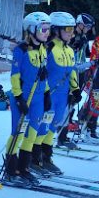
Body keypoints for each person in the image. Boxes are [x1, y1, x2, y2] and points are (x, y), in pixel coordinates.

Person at [3, 12, 51, 185]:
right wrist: (18, 97)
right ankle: (10, 169)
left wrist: (46, 94)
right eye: (44, 29)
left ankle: (24, 168)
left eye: (48, 29)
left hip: (38, 98)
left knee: (32, 133)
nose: (47, 32)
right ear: (32, 29)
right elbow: (15, 76)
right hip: (23, 98)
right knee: (18, 132)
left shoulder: (43, 49)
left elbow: (43, 77)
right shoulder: (21, 50)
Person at [31, 12, 80, 175]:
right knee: (42, 127)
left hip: (62, 97)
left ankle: (46, 158)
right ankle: (33, 159)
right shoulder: (48, 47)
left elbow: (72, 71)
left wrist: (76, 89)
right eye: (68, 29)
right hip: (48, 96)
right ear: (57, 30)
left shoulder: (70, 50)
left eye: (73, 29)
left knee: (53, 127)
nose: (71, 33)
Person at [61, 13, 95, 146]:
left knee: (73, 101)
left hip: (80, 73)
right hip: (71, 73)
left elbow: (83, 55)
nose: (87, 28)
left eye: (89, 27)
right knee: (68, 102)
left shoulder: (84, 37)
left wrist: (92, 62)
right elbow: (70, 54)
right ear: (79, 24)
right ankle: (61, 135)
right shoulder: (72, 36)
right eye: (86, 26)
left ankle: (65, 128)